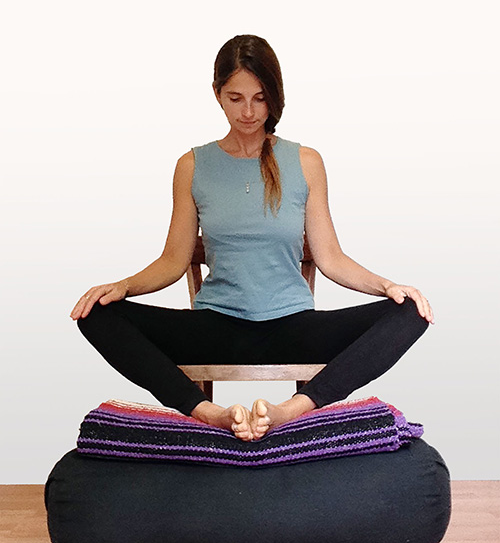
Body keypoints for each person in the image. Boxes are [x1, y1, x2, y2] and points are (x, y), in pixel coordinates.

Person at [70, 34, 434, 443]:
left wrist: (388, 286)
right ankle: (208, 412)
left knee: (411, 312)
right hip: (216, 328)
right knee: (94, 313)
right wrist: (122, 287)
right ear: (217, 95)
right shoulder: (192, 165)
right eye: (235, 97)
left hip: (293, 327)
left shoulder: (305, 161)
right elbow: (173, 261)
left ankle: (291, 411)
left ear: (274, 97)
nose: (248, 111)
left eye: (260, 98)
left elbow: (330, 258)